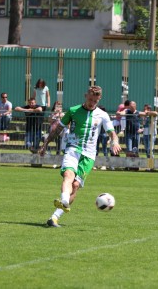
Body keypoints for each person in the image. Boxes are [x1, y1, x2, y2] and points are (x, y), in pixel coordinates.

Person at [39, 86, 121, 227]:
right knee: (68, 176)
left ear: (99, 99)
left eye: (95, 101)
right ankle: (64, 200)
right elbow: (58, 128)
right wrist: (45, 143)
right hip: (73, 148)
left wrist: (115, 142)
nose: (91, 103)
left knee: (75, 186)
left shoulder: (102, 115)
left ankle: (54, 218)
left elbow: (112, 132)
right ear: (85, 96)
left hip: (89, 155)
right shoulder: (73, 110)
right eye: (90, 99)